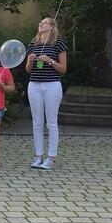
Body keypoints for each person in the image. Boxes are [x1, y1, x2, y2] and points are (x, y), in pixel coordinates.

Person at [25, 17, 67, 170]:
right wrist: (30, 61)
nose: (41, 24)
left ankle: (51, 157)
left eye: (44, 23)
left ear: (52, 27)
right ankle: (38, 156)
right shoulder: (33, 44)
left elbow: (63, 69)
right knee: (37, 122)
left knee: (51, 122)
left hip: (52, 85)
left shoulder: (58, 43)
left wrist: (50, 60)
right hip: (34, 85)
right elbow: (28, 70)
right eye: (40, 23)